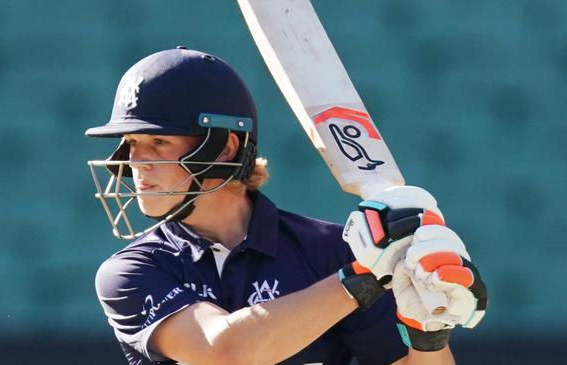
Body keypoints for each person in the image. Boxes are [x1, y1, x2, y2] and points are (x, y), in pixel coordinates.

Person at [85, 47, 487, 365]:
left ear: (225, 147)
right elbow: (224, 352)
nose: (136, 163)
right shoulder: (131, 271)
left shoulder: (331, 252)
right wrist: (361, 279)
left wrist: (427, 334)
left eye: (159, 143)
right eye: (133, 145)